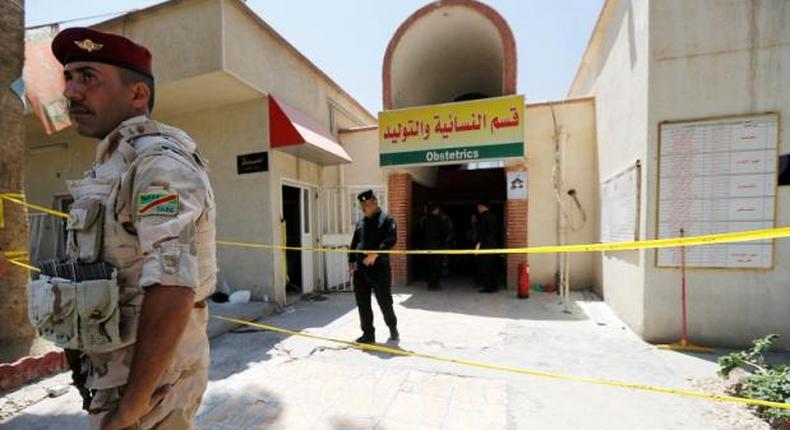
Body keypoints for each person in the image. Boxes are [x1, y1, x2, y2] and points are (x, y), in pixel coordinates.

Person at [47, 27, 216, 429]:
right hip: (116, 374)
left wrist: (132, 406)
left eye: (88, 76)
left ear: (137, 95)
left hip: (150, 385)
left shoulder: (157, 164)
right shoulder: (115, 164)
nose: (71, 91)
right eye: (68, 77)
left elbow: (173, 284)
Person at [348, 190, 399, 344]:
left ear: (375, 202)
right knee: (362, 303)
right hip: (361, 270)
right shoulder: (361, 222)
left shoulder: (387, 220)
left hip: (379, 270)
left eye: (367, 204)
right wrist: (350, 261)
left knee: (384, 302)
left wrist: (375, 254)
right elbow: (354, 243)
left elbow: (391, 239)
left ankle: (392, 328)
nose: (365, 208)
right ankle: (368, 334)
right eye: (362, 205)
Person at [423, 203, 452, 290]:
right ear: (436, 210)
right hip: (437, 245)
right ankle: (434, 285)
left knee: (430, 265)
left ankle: (430, 283)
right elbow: (444, 231)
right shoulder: (438, 219)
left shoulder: (426, 220)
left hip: (428, 246)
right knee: (436, 265)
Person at [475, 200, 499, 293]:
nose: (478, 209)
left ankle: (489, 287)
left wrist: (478, 244)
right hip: (493, 243)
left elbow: (481, 232)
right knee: (493, 266)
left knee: (486, 266)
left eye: (478, 207)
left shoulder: (482, 217)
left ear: (482, 206)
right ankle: (494, 286)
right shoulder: (493, 216)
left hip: (485, 244)